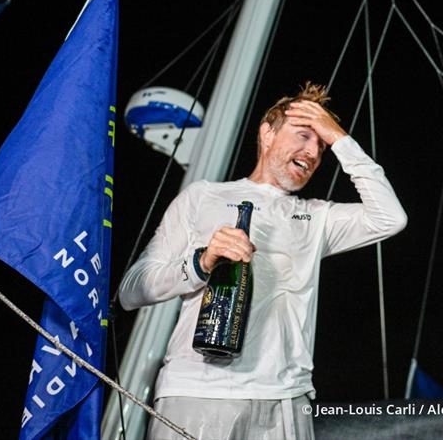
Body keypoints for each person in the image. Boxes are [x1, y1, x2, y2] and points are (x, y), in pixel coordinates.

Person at [119, 81, 407, 439]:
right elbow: (131, 290)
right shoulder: (203, 196)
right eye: (304, 135)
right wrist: (201, 262)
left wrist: (340, 139)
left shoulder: (317, 217)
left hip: (287, 400)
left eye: (321, 143)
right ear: (267, 133)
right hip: (199, 392)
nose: (314, 151)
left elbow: (390, 218)